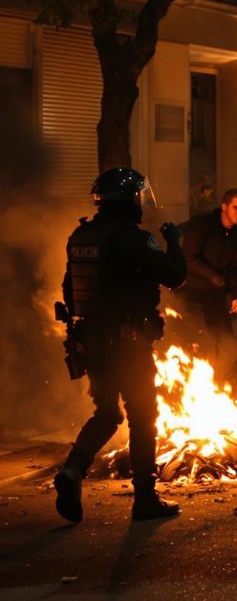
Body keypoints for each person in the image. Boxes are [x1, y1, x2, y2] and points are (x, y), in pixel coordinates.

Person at [53, 168, 187, 523]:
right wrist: (174, 242)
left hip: (93, 343)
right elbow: (175, 276)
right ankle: (145, 498)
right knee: (143, 417)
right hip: (129, 344)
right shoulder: (133, 239)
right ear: (131, 200)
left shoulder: (81, 235)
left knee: (108, 413)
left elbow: (69, 290)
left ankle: (73, 470)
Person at [176, 188, 237, 364]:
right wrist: (214, 277)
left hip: (215, 294)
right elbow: (189, 258)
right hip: (189, 291)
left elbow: (236, 267)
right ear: (224, 207)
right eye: (236, 208)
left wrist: (236, 295)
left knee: (224, 338)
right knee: (190, 338)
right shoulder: (202, 224)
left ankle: (223, 380)